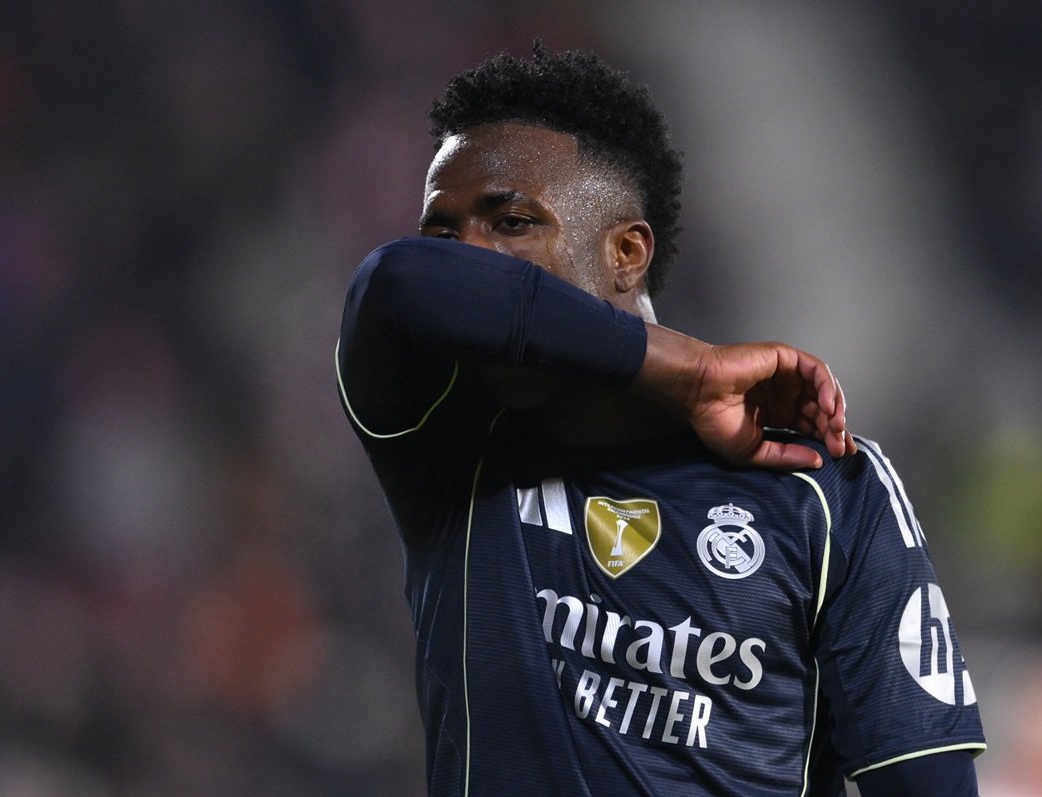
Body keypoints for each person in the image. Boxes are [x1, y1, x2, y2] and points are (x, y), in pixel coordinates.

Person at [337, 44, 985, 796]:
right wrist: (687, 368)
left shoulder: (823, 484)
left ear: (626, 252)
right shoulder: (440, 434)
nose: (467, 260)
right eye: (445, 235)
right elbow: (393, 283)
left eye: (510, 223)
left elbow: (927, 782)